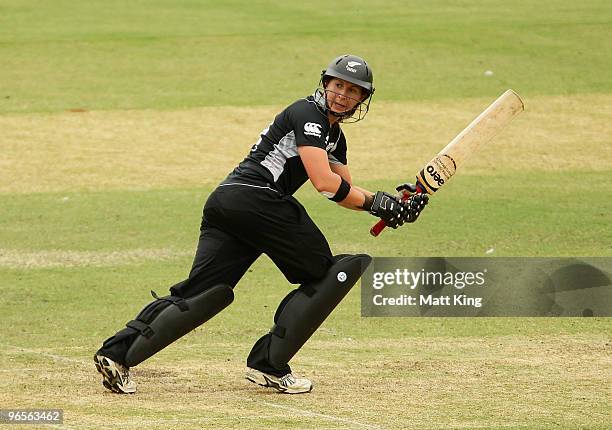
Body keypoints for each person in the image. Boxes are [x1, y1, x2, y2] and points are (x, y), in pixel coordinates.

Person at [93, 54, 429, 395]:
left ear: (362, 100)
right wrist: (378, 204)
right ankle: (269, 365)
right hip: (257, 199)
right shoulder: (306, 113)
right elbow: (325, 183)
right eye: (338, 85)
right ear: (325, 84)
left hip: (229, 202)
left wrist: (393, 207)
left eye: (353, 91)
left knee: (203, 294)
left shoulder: (335, 138)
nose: (343, 95)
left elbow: (344, 193)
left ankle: (116, 356)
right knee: (325, 274)